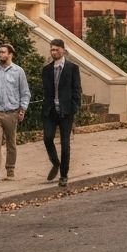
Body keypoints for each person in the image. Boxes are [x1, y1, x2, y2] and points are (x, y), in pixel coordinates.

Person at [0, 42, 31, 183]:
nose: (0, 54)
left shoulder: (18, 71)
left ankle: (10, 169)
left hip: (12, 112)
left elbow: (25, 93)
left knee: (11, 142)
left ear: (10, 54)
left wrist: (22, 109)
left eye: (3, 52)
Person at [42, 39, 82, 187]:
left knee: (65, 144)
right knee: (47, 138)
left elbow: (77, 89)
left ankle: (64, 175)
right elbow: (46, 92)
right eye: (52, 50)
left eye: (56, 50)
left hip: (66, 112)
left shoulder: (72, 68)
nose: (54, 52)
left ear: (63, 50)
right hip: (51, 111)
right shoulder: (46, 70)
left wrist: (74, 107)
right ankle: (55, 163)